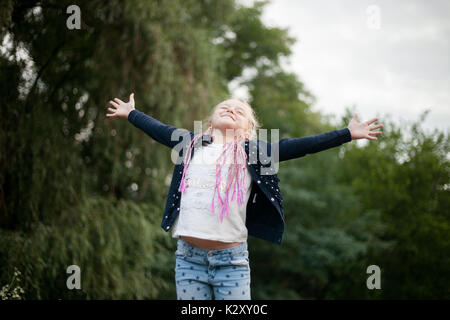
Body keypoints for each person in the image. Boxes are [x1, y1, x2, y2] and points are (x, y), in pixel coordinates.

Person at [106, 93, 383, 300]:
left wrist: (346, 134)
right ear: (210, 123)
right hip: (188, 260)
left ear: (248, 129)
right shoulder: (190, 144)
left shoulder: (254, 152)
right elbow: (160, 130)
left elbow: (300, 146)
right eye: (224, 107)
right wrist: (132, 114)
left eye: (239, 110)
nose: (230, 109)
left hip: (232, 262)